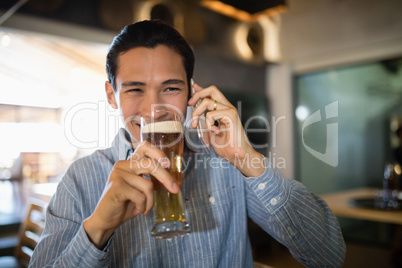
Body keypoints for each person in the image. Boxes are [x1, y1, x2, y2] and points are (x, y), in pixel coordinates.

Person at [29, 20, 346, 267]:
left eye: (170, 89)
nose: (154, 110)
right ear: (111, 95)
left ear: (192, 93)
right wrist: (97, 229)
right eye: (135, 90)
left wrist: (247, 158)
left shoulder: (225, 163)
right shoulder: (80, 180)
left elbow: (329, 256)